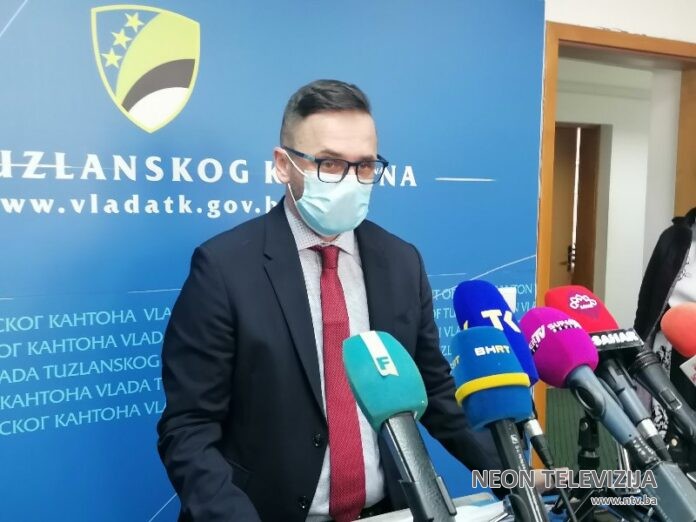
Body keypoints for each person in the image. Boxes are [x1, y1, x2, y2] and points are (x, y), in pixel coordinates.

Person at [157, 79, 506, 522]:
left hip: (385, 513)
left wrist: (515, 480)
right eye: (330, 163)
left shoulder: (401, 262)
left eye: (365, 166)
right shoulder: (224, 269)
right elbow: (188, 428)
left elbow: (435, 394)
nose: (351, 181)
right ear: (283, 165)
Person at [635, 206, 696, 441]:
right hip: (669, 340)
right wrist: (638, 340)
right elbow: (648, 293)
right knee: (670, 418)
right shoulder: (674, 237)